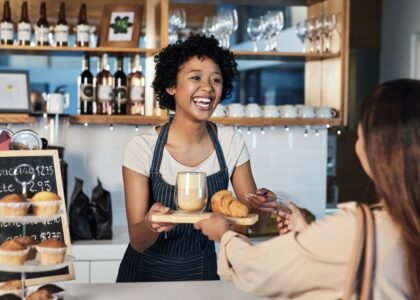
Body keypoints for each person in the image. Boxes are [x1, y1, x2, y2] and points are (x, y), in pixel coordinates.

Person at [195, 79, 419, 299]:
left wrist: (224, 235)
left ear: (379, 147)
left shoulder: (359, 228)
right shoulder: (403, 222)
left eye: (362, 132)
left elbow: (259, 269)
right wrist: (308, 238)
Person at [116, 35, 276, 282]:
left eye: (216, 80)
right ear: (171, 85)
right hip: (143, 279)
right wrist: (151, 224)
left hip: (202, 275)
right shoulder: (142, 148)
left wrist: (262, 209)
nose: (208, 88)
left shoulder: (230, 141)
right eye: (195, 78)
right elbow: (138, 240)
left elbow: (249, 224)